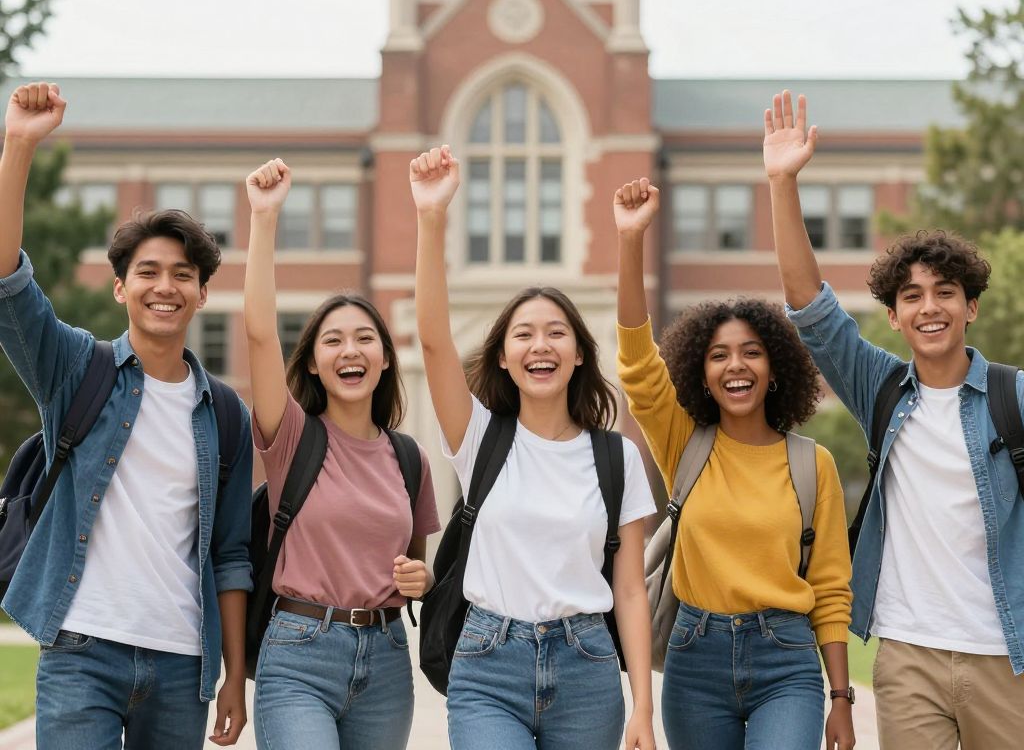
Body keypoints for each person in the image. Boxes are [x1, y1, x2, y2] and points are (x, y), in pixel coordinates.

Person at [765, 88, 1024, 749]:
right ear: (895, 315)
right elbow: (810, 307)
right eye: (912, 296)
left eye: (945, 293)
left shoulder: (1014, 397)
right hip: (908, 655)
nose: (929, 307)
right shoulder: (879, 387)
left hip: (1009, 657)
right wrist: (782, 184)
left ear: (970, 307)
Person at [0, 82, 252, 748]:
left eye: (182, 274)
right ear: (120, 287)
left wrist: (233, 675)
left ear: (201, 293)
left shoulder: (225, 414)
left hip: (180, 662)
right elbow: (7, 285)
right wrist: (18, 144)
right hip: (80, 648)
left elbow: (230, 555)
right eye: (147, 272)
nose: (165, 286)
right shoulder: (76, 369)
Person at [411, 145, 657, 750]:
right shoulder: (479, 437)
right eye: (523, 334)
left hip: (588, 668)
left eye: (556, 333)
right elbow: (435, 341)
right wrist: (432, 216)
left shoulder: (616, 458)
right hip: (488, 665)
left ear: (578, 355)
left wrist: (642, 708)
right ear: (503, 356)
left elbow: (630, 590)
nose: (540, 345)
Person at [615, 177, 854, 750]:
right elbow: (639, 366)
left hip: (787, 661)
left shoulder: (812, 464)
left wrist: (841, 698)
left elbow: (830, 588)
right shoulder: (684, 445)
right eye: (718, 355)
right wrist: (630, 240)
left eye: (752, 352)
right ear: (701, 374)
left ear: (775, 369)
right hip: (694, 659)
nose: (736, 366)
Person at [243, 158, 440, 750]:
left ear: (385, 358)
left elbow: (413, 567)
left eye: (364, 338)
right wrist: (264, 219)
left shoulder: (410, 459)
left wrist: (422, 578)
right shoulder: (292, 437)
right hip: (299, 653)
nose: (349, 350)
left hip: (386, 660)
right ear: (312, 362)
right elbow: (259, 333)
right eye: (332, 341)